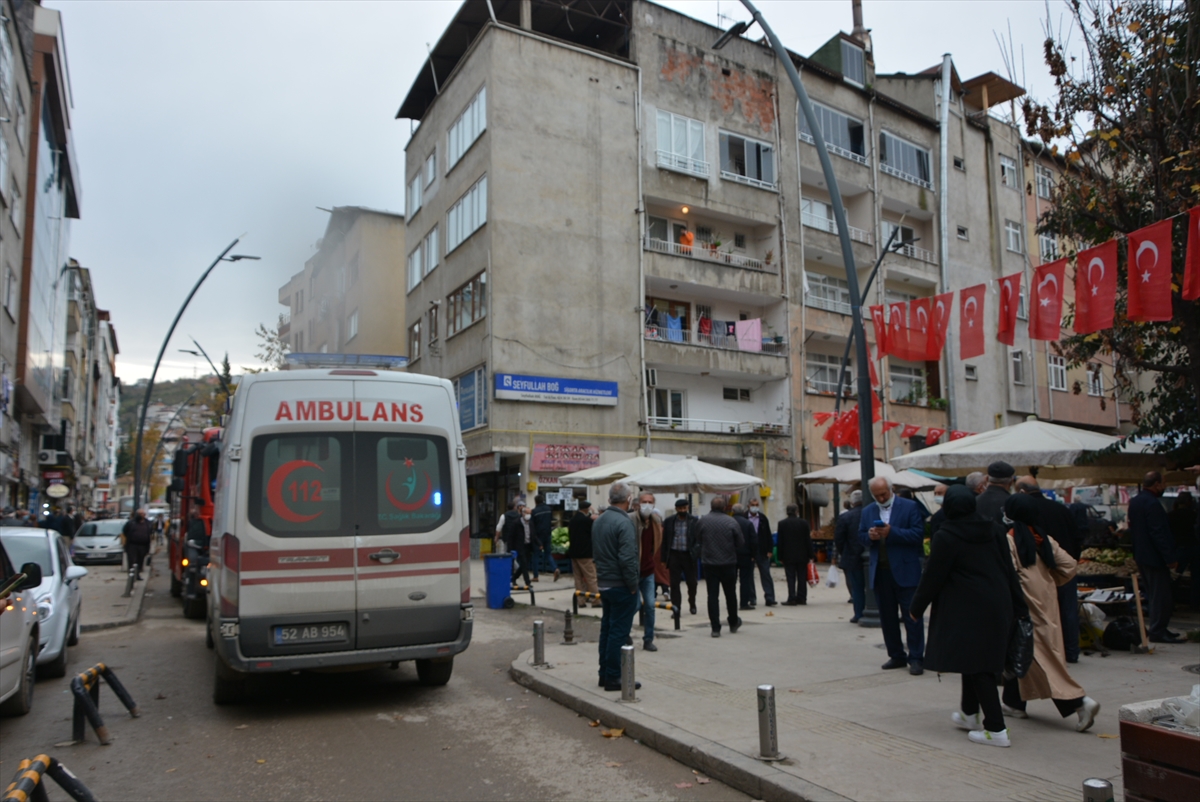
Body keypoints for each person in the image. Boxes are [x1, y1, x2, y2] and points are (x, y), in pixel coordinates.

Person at [910, 486, 1028, 748]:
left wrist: (916, 608)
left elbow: (933, 576)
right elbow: (1008, 570)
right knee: (973, 660)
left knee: (980, 667)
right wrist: (1020, 606)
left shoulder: (947, 536)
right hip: (998, 604)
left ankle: (996, 729)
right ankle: (969, 714)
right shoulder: (995, 530)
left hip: (965, 609)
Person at [1001, 493, 1100, 731]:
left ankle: (1079, 702)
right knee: (1025, 656)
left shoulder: (1010, 540)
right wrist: (1050, 580)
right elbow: (1070, 565)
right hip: (1048, 602)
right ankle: (1014, 702)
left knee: (1038, 659)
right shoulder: (1043, 539)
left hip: (1026, 608)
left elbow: (1009, 577)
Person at [859, 476, 927, 675]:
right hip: (880, 572)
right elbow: (860, 536)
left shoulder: (910, 507)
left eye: (884, 494)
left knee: (912, 617)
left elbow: (917, 535)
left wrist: (892, 532)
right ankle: (896, 655)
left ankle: (916, 657)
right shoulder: (868, 511)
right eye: (876, 495)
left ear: (892, 489)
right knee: (888, 618)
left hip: (906, 571)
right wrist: (869, 536)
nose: (881, 499)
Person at [1016, 476, 1083, 662]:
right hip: (1063, 570)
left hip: (1040, 573)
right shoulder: (1061, 509)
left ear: (1022, 491)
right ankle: (1071, 651)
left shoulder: (1026, 519)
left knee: (1045, 616)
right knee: (1068, 612)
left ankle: (1049, 653)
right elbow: (1077, 539)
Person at [593, 482, 641, 692]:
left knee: (607, 628)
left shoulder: (599, 520)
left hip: (604, 583)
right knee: (618, 632)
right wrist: (633, 585)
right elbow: (627, 558)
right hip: (621, 584)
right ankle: (613, 676)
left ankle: (604, 673)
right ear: (628, 499)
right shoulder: (624, 522)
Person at [1127, 471, 1182, 643]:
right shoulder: (1152, 504)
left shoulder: (1135, 502)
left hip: (1142, 555)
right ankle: (1158, 630)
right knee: (1161, 596)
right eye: (1163, 483)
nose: (1164, 486)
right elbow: (1158, 533)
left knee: (1154, 594)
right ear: (1157, 484)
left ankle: (1159, 628)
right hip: (1154, 557)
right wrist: (1169, 557)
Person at [695, 496, 743, 637]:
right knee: (730, 594)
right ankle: (733, 622)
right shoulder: (731, 521)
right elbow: (740, 542)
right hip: (728, 563)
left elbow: (698, 539)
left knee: (712, 596)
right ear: (724, 507)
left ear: (711, 506)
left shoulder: (702, 521)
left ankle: (715, 627)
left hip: (710, 563)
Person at [629, 492, 665, 652]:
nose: (647, 505)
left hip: (648, 571)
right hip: (633, 571)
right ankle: (624, 633)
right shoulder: (630, 520)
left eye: (650, 502)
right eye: (644, 501)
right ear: (637, 504)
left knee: (650, 605)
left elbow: (655, 544)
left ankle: (648, 639)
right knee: (634, 605)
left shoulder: (656, 521)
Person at [661, 499, 700, 616]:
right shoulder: (669, 521)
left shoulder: (694, 521)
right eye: (680, 508)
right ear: (676, 509)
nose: (683, 510)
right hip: (674, 555)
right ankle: (676, 607)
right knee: (674, 583)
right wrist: (663, 558)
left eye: (685, 508)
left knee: (692, 582)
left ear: (687, 508)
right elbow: (665, 541)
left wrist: (696, 552)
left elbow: (698, 539)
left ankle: (692, 602)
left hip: (689, 555)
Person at [834, 490, 865, 621]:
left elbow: (839, 539)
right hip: (871, 557)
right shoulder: (872, 513)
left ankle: (859, 613)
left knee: (857, 587)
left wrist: (843, 552)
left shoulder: (845, 517)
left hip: (852, 556)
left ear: (852, 502)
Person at [776, 505, 812, 605]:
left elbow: (780, 541)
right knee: (802, 577)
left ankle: (791, 598)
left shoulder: (782, 524)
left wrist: (780, 556)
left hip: (788, 555)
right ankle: (802, 598)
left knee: (790, 577)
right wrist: (811, 554)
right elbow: (807, 540)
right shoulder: (803, 523)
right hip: (802, 555)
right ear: (797, 511)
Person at [567, 500, 600, 607]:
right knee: (591, 577)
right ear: (586, 509)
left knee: (578, 578)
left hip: (574, 553)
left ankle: (580, 600)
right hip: (586, 554)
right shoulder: (587, 521)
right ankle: (596, 600)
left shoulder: (572, 520)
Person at [747, 497, 776, 607]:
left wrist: (770, 549)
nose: (755, 507)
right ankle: (751, 598)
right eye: (753, 504)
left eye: (757, 505)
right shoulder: (745, 517)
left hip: (762, 550)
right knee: (749, 575)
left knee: (766, 574)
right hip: (749, 550)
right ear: (748, 506)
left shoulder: (763, 518)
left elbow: (768, 535)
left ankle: (770, 597)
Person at [731, 504, 758, 610]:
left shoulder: (729, 522)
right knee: (745, 580)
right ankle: (744, 603)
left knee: (731, 581)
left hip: (731, 555)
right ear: (743, 511)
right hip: (746, 555)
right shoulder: (748, 523)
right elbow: (754, 541)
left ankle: (732, 602)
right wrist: (753, 555)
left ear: (732, 511)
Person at [529, 494, 560, 583]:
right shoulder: (548, 509)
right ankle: (555, 568)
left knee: (535, 555)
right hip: (548, 534)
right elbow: (551, 520)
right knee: (548, 554)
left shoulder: (534, 512)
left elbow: (532, 526)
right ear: (543, 500)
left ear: (535, 502)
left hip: (538, 536)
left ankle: (535, 576)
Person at [122, 509, 154, 581]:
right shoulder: (131, 523)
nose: (142, 515)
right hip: (132, 545)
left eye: (143, 513)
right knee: (132, 560)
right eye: (140, 514)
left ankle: (138, 574)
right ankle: (131, 576)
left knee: (140, 560)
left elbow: (150, 532)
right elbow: (125, 531)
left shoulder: (148, 523)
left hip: (143, 545)